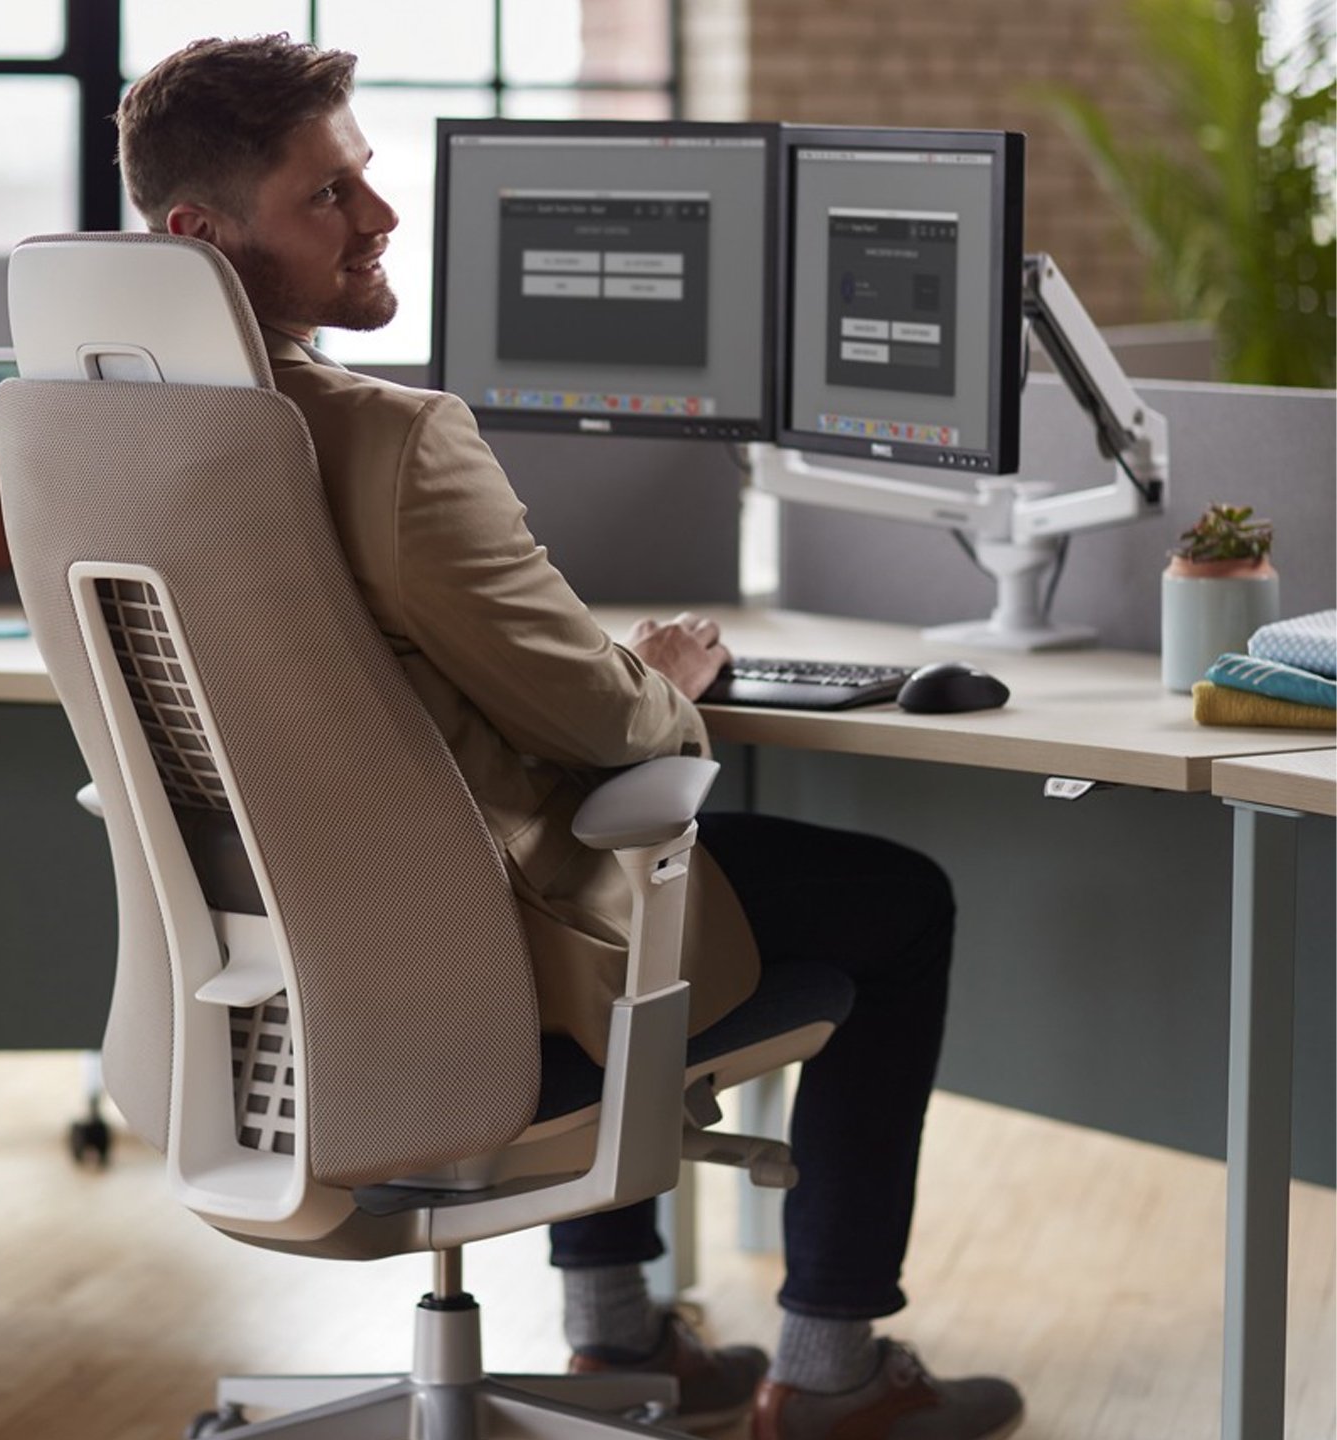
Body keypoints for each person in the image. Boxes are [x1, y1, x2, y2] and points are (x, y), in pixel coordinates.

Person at [115, 34, 1024, 1440]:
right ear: (200, 234)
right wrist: (660, 673)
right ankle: (834, 1378)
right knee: (891, 901)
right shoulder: (388, 443)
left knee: (619, 854)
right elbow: (600, 720)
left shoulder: (111, 444)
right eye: (329, 197)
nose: (382, 216)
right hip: (473, 986)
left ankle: (612, 1338)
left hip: (277, 1002)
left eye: (367, 179)